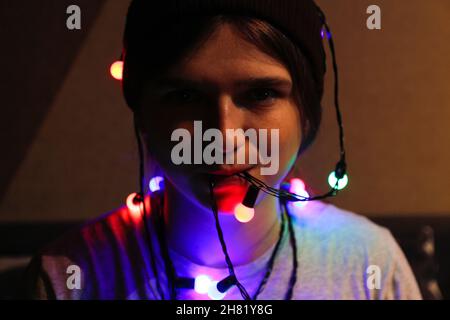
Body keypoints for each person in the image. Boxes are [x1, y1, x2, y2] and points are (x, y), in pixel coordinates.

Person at [25, 0, 422, 300]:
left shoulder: (369, 263)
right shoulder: (70, 276)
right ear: (142, 111)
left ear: (305, 112)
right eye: (185, 95)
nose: (223, 135)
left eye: (261, 93)